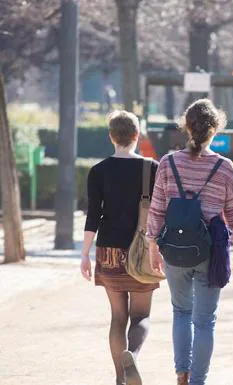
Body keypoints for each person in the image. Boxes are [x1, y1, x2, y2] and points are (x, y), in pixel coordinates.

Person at [146, 99, 233, 385]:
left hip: (174, 249)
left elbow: (157, 208)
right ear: (215, 129)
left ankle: (181, 372)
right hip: (209, 251)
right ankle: (197, 381)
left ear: (187, 127)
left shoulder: (167, 163)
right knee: (204, 321)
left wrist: (152, 245)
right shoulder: (225, 167)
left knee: (181, 311)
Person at [81, 110, 159, 385]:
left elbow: (93, 216)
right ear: (137, 135)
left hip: (109, 250)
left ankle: (119, 379)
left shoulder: (98, 171)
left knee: (117, 316)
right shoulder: (152, 168)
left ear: (111, 137)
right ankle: (133, 355)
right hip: (141, 252)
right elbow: (160, 213)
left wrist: (85, 255)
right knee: (141, 315)